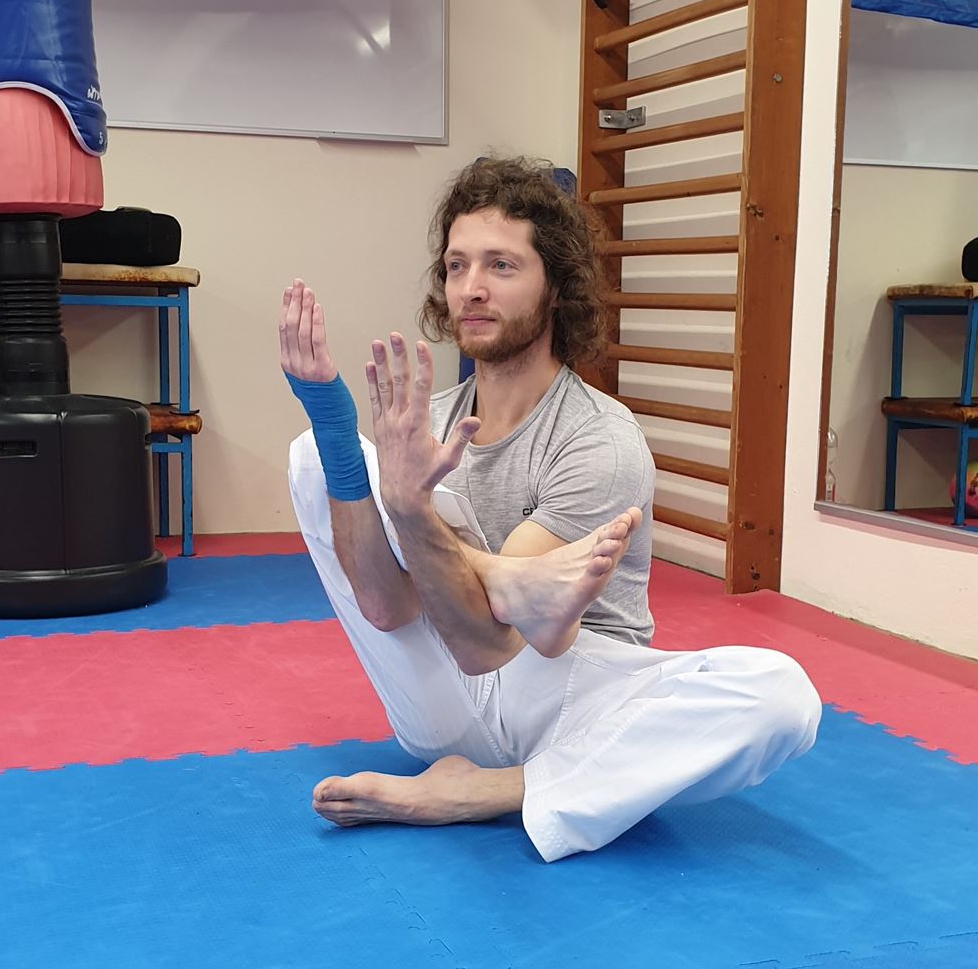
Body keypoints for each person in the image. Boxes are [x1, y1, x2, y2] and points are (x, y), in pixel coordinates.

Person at [280, 157, 821, 862]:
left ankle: (493, 790)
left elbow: (492, 644)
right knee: (316, 455)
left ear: (556, 287)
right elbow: (384, 609)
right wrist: (334, 425)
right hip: (440, 704)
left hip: (574, 707)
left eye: (501, 266)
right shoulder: (425, 427)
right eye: (456, 266)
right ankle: (499, 592)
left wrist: (412, 515)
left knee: (781, 695)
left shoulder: (599, 439)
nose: (471, 289)